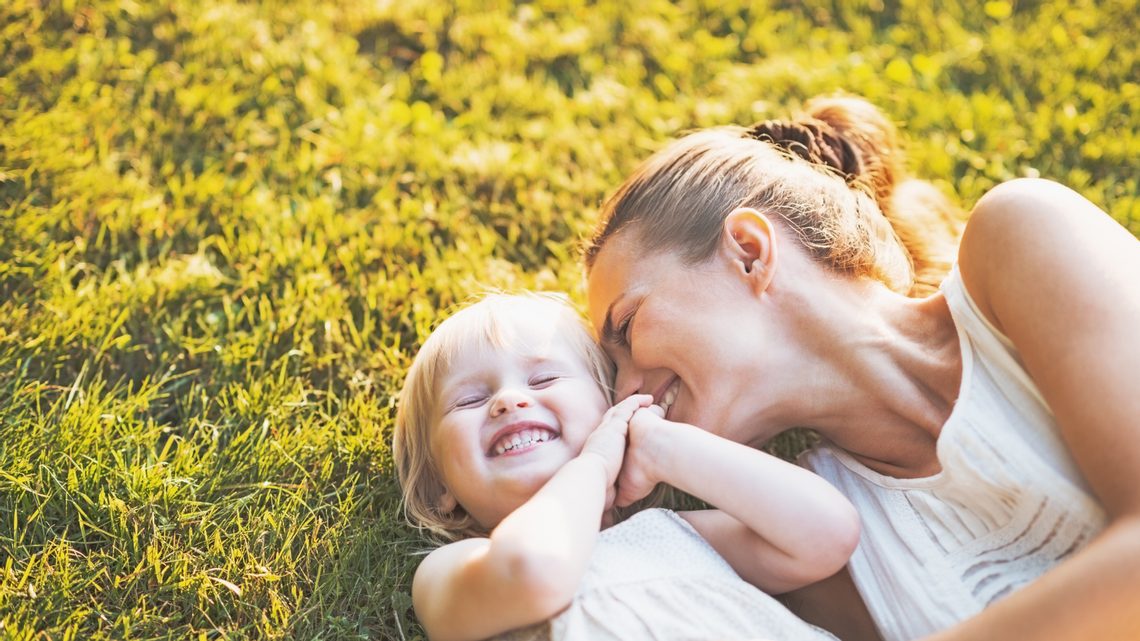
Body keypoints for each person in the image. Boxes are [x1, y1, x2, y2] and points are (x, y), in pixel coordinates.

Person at [583, 94, 1140, 641]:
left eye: (628, 327)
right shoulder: (811, 546)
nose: (627, 389)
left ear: (749, 251)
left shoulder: (1024, 234)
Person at [392, 292, 866, 641]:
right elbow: (533, 570)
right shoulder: (452, 570)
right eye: (470, 399)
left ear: (608, 409)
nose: (509, 400)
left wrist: (664, 447)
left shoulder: (671, 534)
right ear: (439, 487)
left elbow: (828, 533)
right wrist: (595, 465)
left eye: (545, 377)